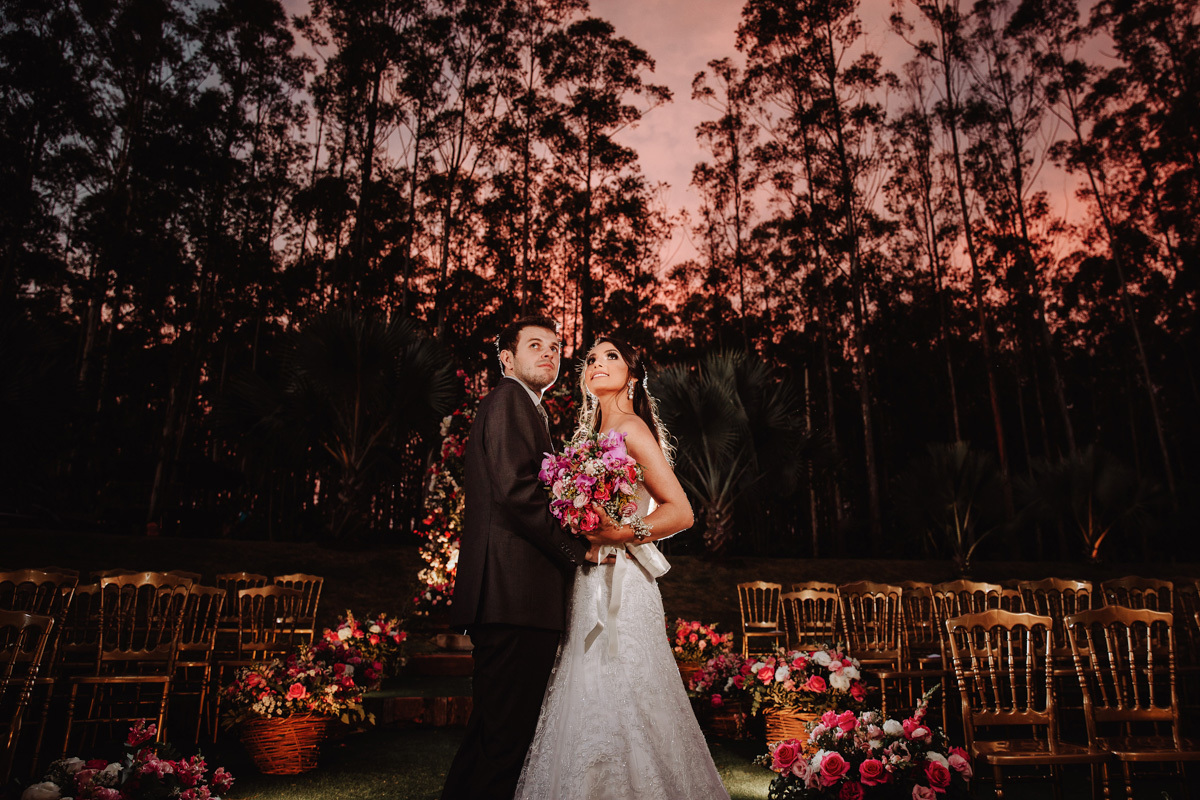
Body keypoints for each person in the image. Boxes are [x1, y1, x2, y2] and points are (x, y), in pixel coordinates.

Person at [514, 336, 731, 800]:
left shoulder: (632, 428)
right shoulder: (585, 440)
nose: (597, 363)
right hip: (585, 582)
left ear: (632, 375)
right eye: (591, 358)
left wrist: (622, 532)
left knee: (631, 685)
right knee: (585, 688)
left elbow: (681, 512)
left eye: (611, 356)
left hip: (624, 584)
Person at [441, 316, 625, 800]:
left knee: (491, 735)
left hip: (512, 599)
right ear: (507, 359)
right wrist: (579, 548)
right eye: (535, 345)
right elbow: (517, 490)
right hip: (513, 597)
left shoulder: (527, 406)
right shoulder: (509, 400)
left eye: (555, 346)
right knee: (506, 742)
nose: (549, 353)